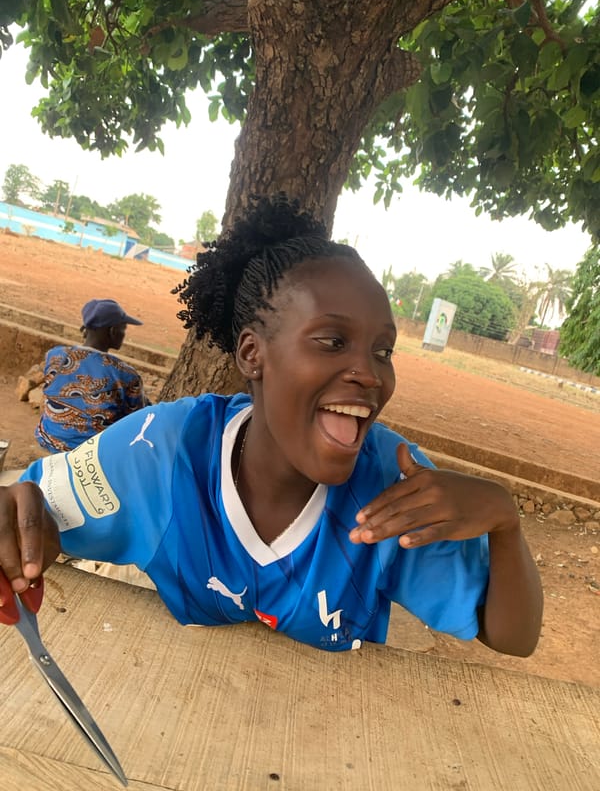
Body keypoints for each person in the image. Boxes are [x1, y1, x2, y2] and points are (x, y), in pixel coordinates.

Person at [0, 195, 542, 656]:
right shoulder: (162, 453)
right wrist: (19, 519)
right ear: (253, 354)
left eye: (383, 351)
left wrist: (503, 519)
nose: (370, 374)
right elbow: (33, 511)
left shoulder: (394, 495)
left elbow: (512, 638)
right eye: (332, 341)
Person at [34, 298, 148, 452]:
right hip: (90, 455)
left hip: (48, 439)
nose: (123, 334)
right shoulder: (125, 374)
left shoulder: (55, 356)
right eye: (123, 328)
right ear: (113, 331)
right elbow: (136, 421)